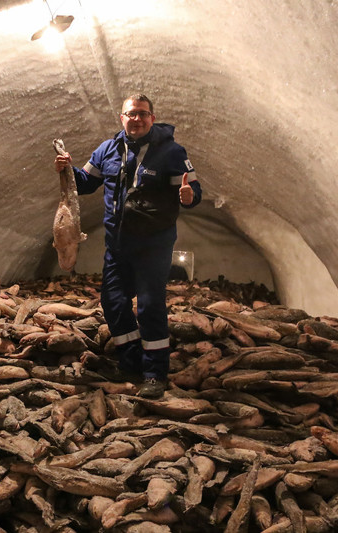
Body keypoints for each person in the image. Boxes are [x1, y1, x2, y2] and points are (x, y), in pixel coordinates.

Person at [54, 94, 202, 398]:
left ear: (152, 117)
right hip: (118, 245)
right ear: (122, 118)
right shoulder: (107, 150)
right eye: (131, 114)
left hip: (154, 244)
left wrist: (189, 196)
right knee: (113, 303)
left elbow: (192, 189)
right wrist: (67, 170)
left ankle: (154, 373)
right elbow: (84, 183)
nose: (137, 119)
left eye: (143, 114)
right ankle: (132, 361)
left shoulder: (171, 152)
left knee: (149, 306)